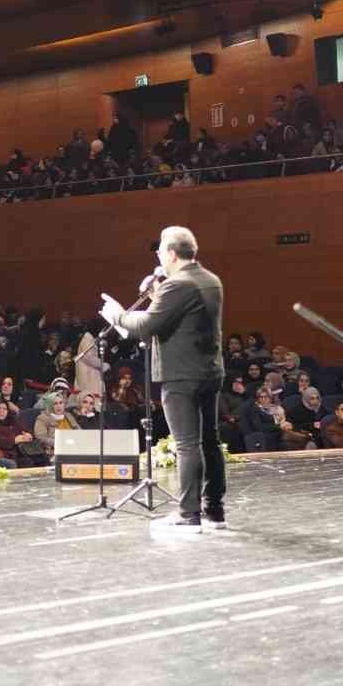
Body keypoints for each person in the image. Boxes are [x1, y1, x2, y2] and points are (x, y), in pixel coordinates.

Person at [103, 225, 226, 532]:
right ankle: (214, 512)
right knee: (209, 441)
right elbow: (181, 320)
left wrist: (117, 315)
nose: (158, 256)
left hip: (182, 375)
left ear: (171, 253)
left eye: (160, 250)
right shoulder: (210, 280)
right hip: (209, 371)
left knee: (187, 444)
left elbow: (147, 325)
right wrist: (159, 295)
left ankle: (188, 515)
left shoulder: (178, 284)